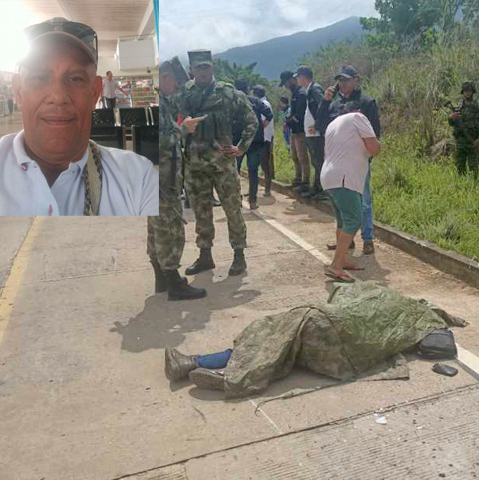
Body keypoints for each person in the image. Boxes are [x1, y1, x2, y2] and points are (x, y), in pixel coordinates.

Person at [0, 17, 158, 216]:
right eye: (40, 78)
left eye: (75, 78)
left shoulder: (139, 179)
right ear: (17, 91)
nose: (58, 97)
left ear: (95, 92)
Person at [163, 282, 462, 398]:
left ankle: (220, 372)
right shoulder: (415, 322)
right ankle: (204, 366)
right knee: (282, 346)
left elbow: (343, 292)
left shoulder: (389, 299)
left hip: (327, 325)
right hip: (340, 352)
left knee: (271, 335)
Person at [179, 50, 258, 276]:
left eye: (206, 67)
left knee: (232, 210)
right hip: (194, 165)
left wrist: (241, 147)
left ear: (212, 68)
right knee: (201, 212)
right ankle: (205, 256)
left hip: (222, 164)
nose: (202, 72)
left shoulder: (227, 92)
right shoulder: (185, 94)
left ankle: (239, 255)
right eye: (198, 68)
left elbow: (251, 120)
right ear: (191, 70)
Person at [146, 57, 208, 301]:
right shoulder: (158, 105)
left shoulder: (158, 102)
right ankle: (173, 281)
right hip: (163, 180)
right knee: (170, 229)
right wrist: (185, 129)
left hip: (156, 179)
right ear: (164, 78)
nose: (179, 89)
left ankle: (161, 278)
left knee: (155, 227)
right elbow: (162, 143)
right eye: (177, 84)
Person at [316, 65, 381, 255]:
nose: (342, 84)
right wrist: (325, 102)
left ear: (356, 79)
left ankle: (367, 238)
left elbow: (374, 132)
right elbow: (321, 126)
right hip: (338, 162)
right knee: (341, 204)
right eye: (340, 80)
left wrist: (368, 155)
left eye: (346, 80)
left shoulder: (366, 102)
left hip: (357, 161)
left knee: (364, 200)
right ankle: (347, 240)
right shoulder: (334, 104)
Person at [321, 102, 381, 282]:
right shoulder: (358, 118)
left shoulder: (332, 125)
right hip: (345, 178)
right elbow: (374, 148)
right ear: (358, 111)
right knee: (354, 219)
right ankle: (336, 266)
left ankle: (344, 259)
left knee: (342, 220)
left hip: (329, 177)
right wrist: (378, 145)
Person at [232, 79, 273, 210]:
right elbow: (269, 113)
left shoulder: (232, 102)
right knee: (253, 171)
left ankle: (237, 198)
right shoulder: (255, 101)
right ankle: (253, 201)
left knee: (234, 171)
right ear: (248, 89)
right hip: (255, 141)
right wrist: (261, 126)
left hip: (238, 142)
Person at [294, 66, 326, 200]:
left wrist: (318, 126)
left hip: (317, 134)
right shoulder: (309, 90)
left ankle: (323, 190)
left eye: (298, 77)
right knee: (315, 161)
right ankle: (317, 187)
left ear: (302, 77)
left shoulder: (315, 89)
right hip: (311, 134)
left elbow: (324, 106)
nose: (297, 80)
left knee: (319, 161)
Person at [279, 70, 310, 193]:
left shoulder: (301, 93)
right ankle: (297, 179)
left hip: (300, 130)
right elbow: (293, 113)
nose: (286, 86)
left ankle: (305, 182)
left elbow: (300, 114)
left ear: (291, 80)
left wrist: (289, 121)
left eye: (286, 83)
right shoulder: (295, 94)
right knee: (295, 156)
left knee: (303, 157)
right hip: (294, 130)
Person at [449, 81, 479, 180]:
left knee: (473, 166)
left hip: (472, 139)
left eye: (469, 91)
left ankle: (474, 185)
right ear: (463, 92)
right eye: (465, 91)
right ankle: (462, 185)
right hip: (461, 140)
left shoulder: (478, 107)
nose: (467, 93)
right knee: (460, 165)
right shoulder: (458, 107)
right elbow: (452, 123)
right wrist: (451, 118)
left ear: (472, 92)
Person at [253, 85, 275, 197]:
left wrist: (259, 128)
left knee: (265, 164)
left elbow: (264, 121)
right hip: (264, 137)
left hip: (264, 138)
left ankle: (267, 189)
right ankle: (259, 189)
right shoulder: (265, 103)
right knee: (261, 163)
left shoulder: (263, 104)